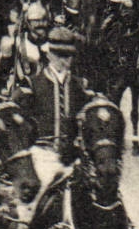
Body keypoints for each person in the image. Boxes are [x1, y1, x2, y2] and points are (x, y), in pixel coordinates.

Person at [16, 28, 91, 166]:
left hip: (73, 158)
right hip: (40, 156)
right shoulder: (31, 84)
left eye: (68, 56)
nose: (63, 61)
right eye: (58, 55)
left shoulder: (80, 86)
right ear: (49, 55)